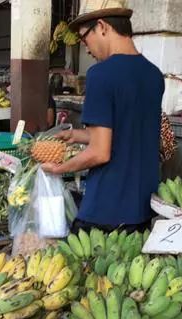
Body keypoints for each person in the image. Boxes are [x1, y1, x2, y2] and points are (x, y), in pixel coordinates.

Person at [41, 0, 164, 234]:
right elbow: (127, 132)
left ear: (102, 27)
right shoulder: (154, 75)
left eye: (84, 37)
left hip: (106, 210)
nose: (86, 48)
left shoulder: (100, 75)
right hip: (144, 207)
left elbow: (100, 152)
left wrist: (59, 169)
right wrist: (78, 135)